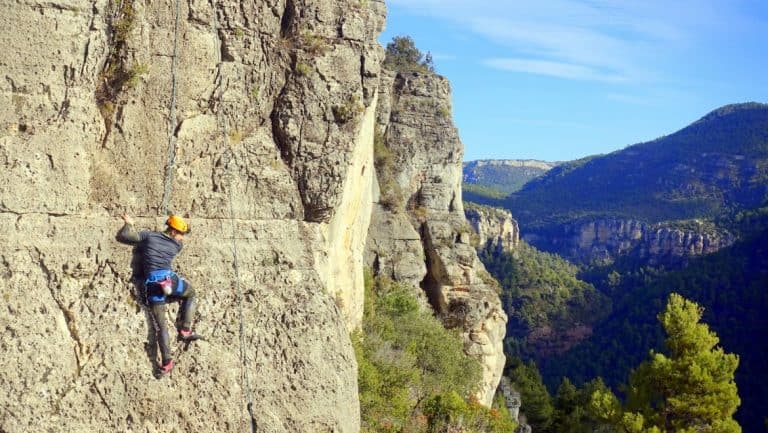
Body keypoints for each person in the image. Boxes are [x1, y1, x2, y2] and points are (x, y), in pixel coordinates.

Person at [117, 213, 198, 375]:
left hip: (152, 283)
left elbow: (124, 237)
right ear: (173, 232)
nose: (182, 238)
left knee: (161, 327)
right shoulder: (176, 246)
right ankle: (185, 329)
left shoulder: (148, 236)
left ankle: (167, 362)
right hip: (169, 279)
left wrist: (129, 223)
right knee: (191, 293)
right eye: (181, 234)